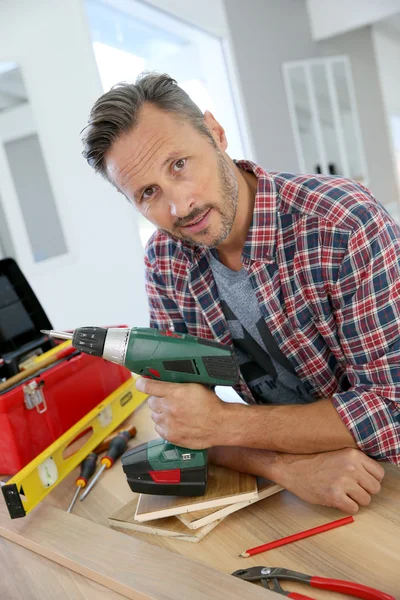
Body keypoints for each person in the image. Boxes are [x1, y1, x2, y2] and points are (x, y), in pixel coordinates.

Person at [81, 72, 399, 514]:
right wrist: (282, 468)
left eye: (179, 164)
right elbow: (185, 427)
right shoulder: (165, 261)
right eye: (148, 192)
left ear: (216, 133)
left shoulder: (344, 224)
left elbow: (390, 409)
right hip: (308, 487)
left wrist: (223, 423)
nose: (180, 206)